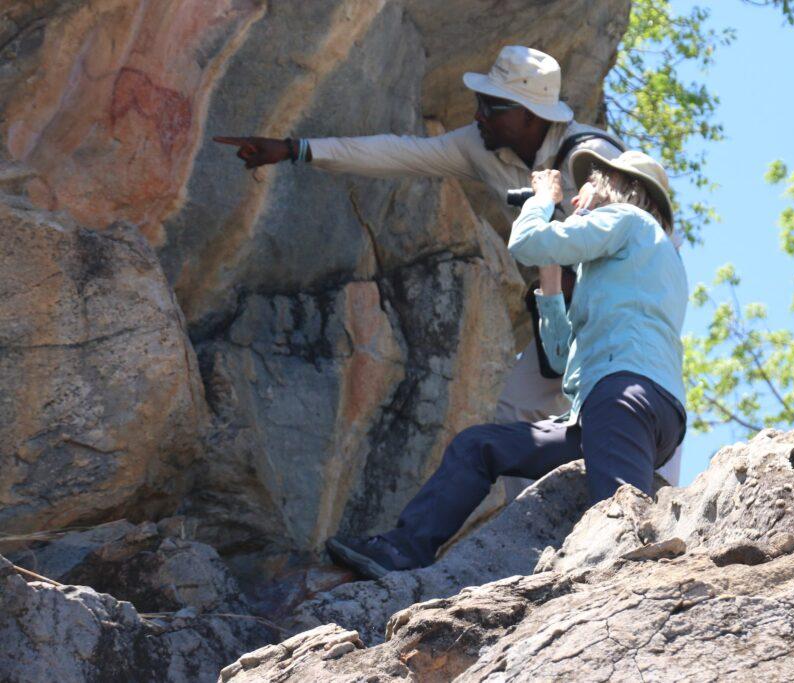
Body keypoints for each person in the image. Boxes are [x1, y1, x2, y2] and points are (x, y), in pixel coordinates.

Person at [214, 45, 624, 426]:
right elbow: (398, 153)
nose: (478, 114)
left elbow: (646, 240)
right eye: (480, 102)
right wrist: (294, 149)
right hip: (563, 305)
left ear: (530, 116)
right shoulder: (480, 147)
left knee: (615, 410)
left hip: (624, 304)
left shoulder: (591, 156)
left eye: (491, 106)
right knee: (512, 415)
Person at [328, 148, 688, 579]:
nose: (579, 194)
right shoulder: (644, 261)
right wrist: (551, 283)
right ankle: (402, 549)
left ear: (615, 188)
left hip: (620, 399)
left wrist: (542, 200)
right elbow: (558, 358)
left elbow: (526, 242)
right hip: (617, 409)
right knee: (479, 447)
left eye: (588, 184)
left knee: (622, 543)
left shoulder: (629, 221)